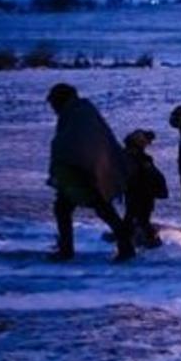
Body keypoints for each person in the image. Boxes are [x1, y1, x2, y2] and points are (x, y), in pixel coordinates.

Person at [45, 83, 135, 262]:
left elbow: (81, 143)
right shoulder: (79, 111)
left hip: (88, 171)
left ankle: (125, 247)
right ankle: (67, 249)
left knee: (102, 209)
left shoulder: (78, 113)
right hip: (81, 171)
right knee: (65, 208)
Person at [123, 129, 168, 248]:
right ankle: (149, 243)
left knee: (134, 218)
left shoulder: (129, 157)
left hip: (136, 193)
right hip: (142, 193)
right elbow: (152, 176)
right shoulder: (142, 159)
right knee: (141, 219)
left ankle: (130, 242)